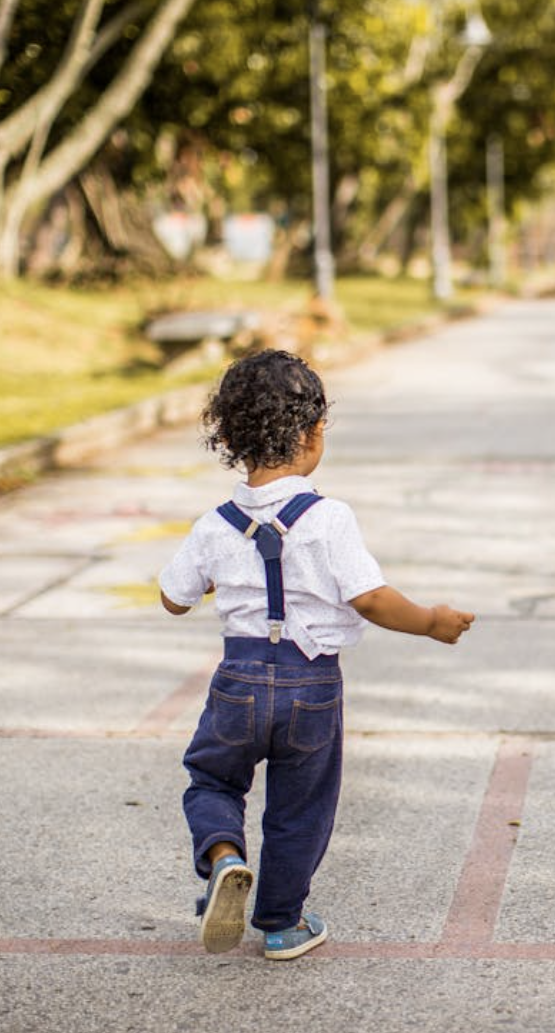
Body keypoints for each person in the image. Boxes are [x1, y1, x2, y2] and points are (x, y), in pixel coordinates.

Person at [159, 349, 474, 960]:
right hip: (311, 686)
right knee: (300, 808)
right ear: (312, 433)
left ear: (228, 437)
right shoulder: (328, 518)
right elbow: (373, 599)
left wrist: (217, 579)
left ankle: (224, 855)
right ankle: (280, 923)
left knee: (211, 780)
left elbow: (173, 599)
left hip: (237, 682)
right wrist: (431, 622)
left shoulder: (214, 524)